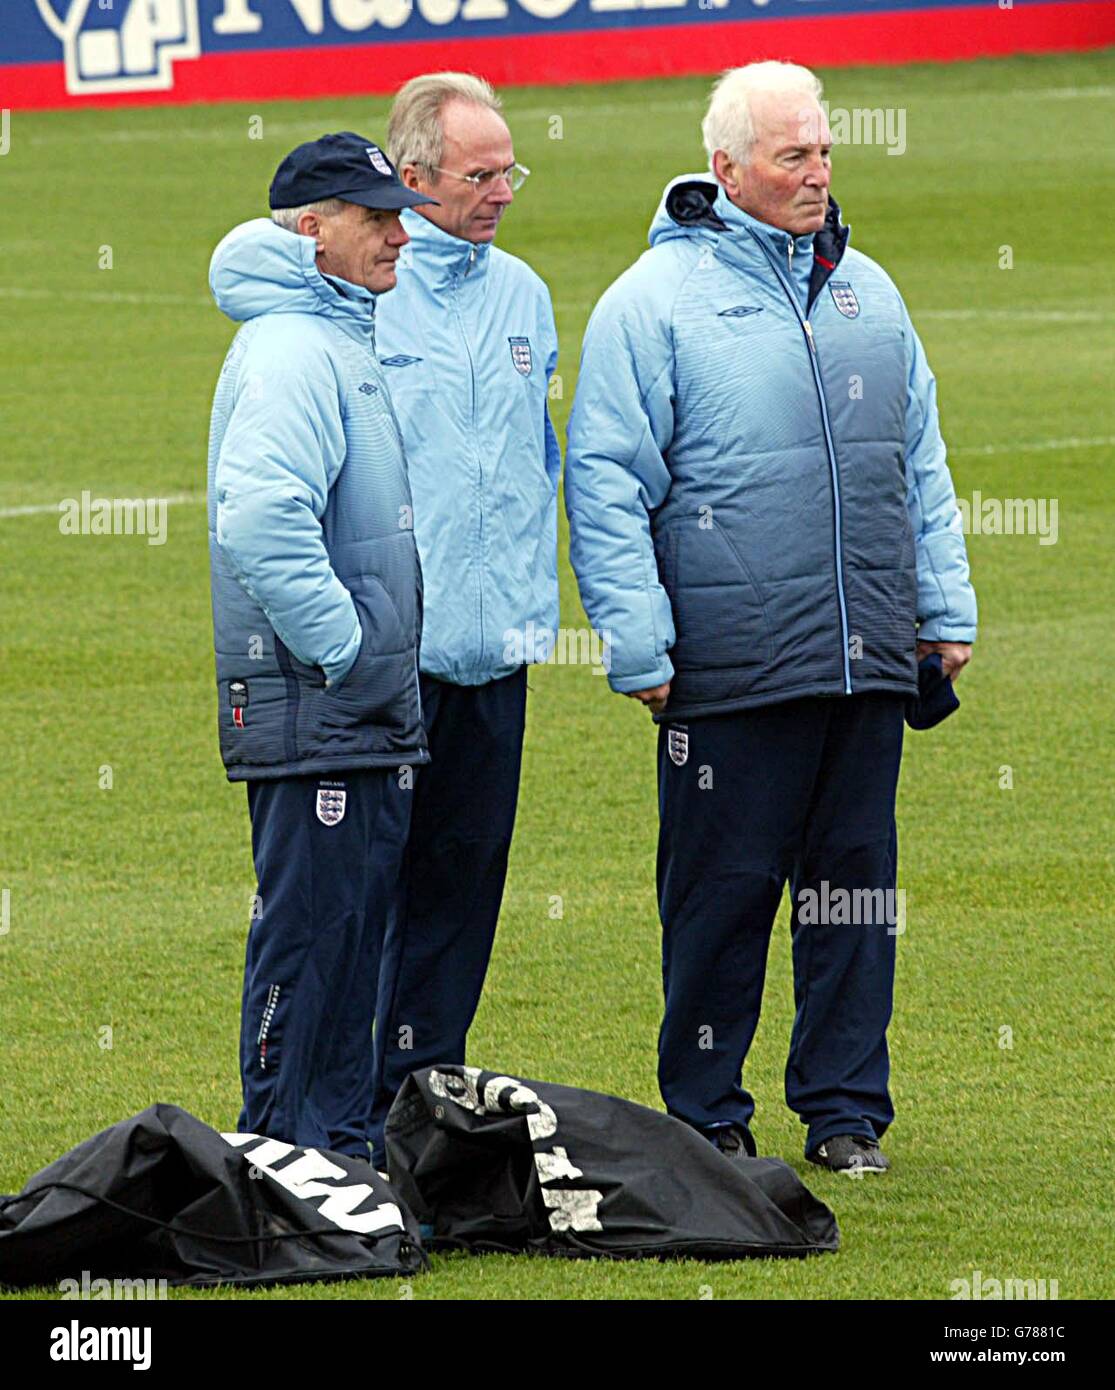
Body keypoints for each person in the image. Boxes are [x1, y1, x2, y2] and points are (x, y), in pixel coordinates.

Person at [565, 62, 977, 1176]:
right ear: (725, 167)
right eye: (791, 156)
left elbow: (918, 460)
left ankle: (844, 1110)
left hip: (866, 650)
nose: (815, 173)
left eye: (824, 151)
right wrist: (637, 638)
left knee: (852, 892)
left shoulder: (868, 291)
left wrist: (940, 603)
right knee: (720, 894)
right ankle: (704, 1111)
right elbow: (603, 480)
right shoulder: (650, 303)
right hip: (728, 663)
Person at [206, 132, 438, 1159]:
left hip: (352, 710)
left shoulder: (333, 334)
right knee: (311, 941)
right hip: (318, 705)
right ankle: (289, 1161)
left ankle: (334, 1156)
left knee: (350, 940)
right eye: (375, 217)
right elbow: (258, 518)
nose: (399, 232)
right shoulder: (295, 348)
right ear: (312, 231)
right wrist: (346, 651)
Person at [365, 73, 560, 1166]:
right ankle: (338, 1114)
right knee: (366, 896)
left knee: (461, 890)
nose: (501, 192)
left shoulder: (523, 294)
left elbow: (538, 462)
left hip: (496, 654)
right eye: (480, 175)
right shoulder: (366, 286)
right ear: (413, 176)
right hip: (388, 658)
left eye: (507, 172)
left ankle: (423, 1108)